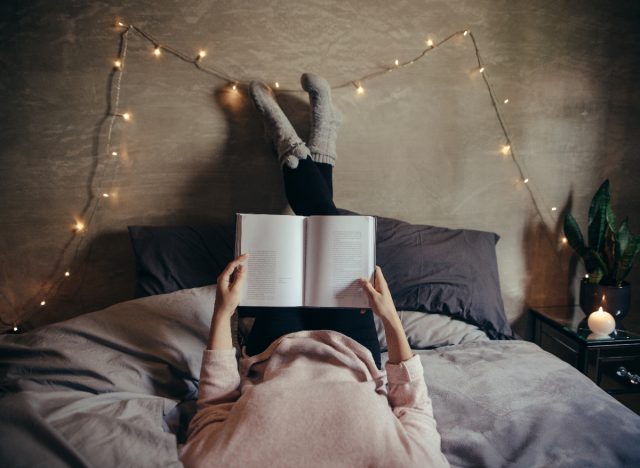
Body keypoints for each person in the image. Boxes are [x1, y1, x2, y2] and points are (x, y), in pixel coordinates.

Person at [180, 74, 449, 468]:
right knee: (330, 230)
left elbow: (214, 406)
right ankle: (300, 150)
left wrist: (223, 311)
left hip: (272, 348)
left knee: (300, 231)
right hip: (352, 349)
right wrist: (389, 317)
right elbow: (414, 403)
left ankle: (308, 149)